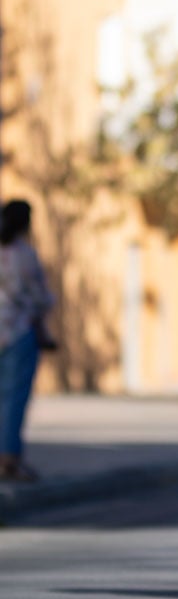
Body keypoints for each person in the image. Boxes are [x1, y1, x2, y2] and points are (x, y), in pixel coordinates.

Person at [0, 199, 56, 482]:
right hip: (18, 332)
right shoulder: (23, 254)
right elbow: (38, 297)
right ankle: (9, 459)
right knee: (14, 398)